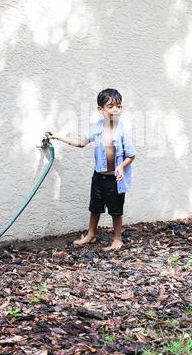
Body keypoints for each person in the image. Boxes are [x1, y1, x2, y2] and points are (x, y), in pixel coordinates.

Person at [49, 88, 136, 250]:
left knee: (116, 210)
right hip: (99, 176)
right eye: (110, 106)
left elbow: (131, 155)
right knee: (95, 207)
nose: (115, 109)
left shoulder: (123, 130)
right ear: (100, 109)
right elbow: (81, 143)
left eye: (118, 106)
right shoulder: (97, 128)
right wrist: (59, 136)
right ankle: (91, 234)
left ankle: (117, 239)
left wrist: (122, 167)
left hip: (115, 179)